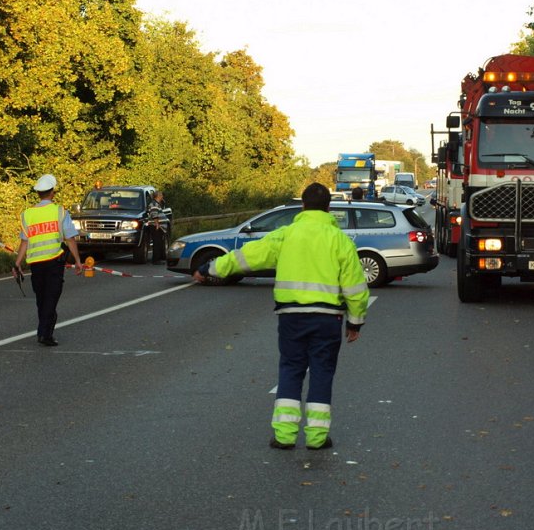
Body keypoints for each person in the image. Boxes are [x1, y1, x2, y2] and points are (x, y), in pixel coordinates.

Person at [193, 182, 370, 450]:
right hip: (327, 319)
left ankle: (284, 436)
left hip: (291, 317)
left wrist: (209, 268)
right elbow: (355, 287)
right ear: (329, 209)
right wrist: (355, 321)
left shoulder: (285, 235)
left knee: (290, 370)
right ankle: (317, 438)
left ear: (302, 206)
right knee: (322, 373)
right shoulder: (340, 241)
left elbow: (248, 256)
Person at [12, 174, 83, 346]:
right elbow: (70, 238)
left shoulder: (27, 214)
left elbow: (24, 241)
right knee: (51, 298)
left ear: (38, 193)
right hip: (53, 262)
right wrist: (78, 261)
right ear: (52, 192)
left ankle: (44, 331)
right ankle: (45, 333)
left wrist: (17, 263)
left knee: (42, 299)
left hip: (35, 264)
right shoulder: (59, 211)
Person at [148, 190, 167, 264]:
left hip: (159, 226)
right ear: (158, 196)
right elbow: (154, 214)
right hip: (155, 226)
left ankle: (158, 258)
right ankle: (156, 260)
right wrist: (157, 224)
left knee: (159, 243)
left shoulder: (157, 204)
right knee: (157, 243)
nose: (162, 196)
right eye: (161, 195)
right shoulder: (154, 204)